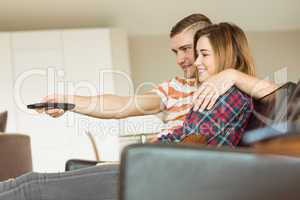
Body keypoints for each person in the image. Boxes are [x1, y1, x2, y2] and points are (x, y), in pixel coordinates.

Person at [40, 14, 278, 141]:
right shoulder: (174, 87)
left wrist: (231, 74)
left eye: (187, 49)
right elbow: (123, 106)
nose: (180, 59)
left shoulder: (234, 89)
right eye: (176, 52)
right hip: (157, 157)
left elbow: (278, 95)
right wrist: (69, 101)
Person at [159, 22, 255, 147]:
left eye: (204, 54)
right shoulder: (216, 92)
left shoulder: (229, 95)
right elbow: (184, 133)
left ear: (226, 55)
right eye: (197, 55)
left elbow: (189, 143)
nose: (197, 62)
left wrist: (146, 151)